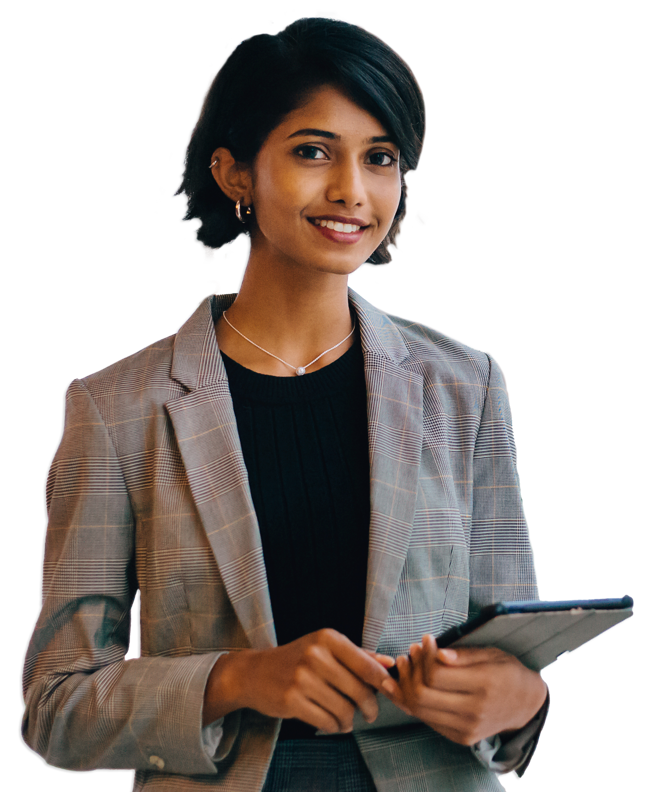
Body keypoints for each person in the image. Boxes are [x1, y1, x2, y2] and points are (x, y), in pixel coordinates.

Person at [21, 13, 550, 791]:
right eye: (312, 151)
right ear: (237, 172)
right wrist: (235, 679)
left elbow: (518, 652)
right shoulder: (118, 409)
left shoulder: (466, 385)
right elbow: (57, 707)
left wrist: (522, 699)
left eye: (380, 158)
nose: (352, 191)